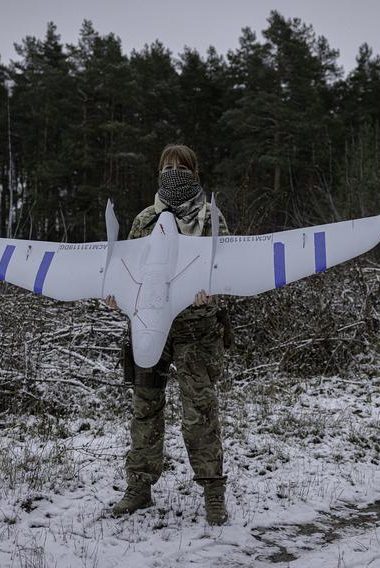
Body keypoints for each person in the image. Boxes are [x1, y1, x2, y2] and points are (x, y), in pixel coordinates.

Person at [104, 143, 231, 525]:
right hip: (149, 327)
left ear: (195, 172)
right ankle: (139, 488)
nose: (173, 171)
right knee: (145, 409)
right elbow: (128, 268)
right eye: (167, 166)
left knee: (200, 413)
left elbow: (225, 265)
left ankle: (213, 492)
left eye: (181, 166)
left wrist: (210, 289)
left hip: (198, 330)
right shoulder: (145, 219)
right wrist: (117, 295)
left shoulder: (211, 218)